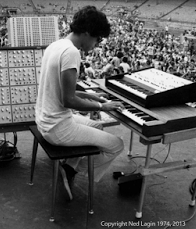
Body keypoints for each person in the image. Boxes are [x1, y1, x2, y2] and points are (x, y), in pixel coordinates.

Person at [35, 6, 125, 198]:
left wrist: (91, 96)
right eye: (97, 38)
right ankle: (71, 171)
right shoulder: (71, 53)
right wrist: (102, 106)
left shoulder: (56, 45)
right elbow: (68, 100)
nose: (97, 44)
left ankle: (68, 166)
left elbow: (59, 90)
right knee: (117, 145)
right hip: (58, 127)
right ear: (86, 33)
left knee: (97, 127)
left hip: (44, 120)